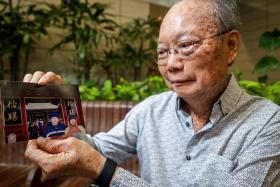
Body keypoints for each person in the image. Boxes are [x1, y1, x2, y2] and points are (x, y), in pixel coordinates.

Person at [24, 0, 280, 186]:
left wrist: (104, 171)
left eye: (186, 45)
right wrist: (59, 116)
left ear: (231, 46)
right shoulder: (150, 110)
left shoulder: (268, 123)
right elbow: (98, 149)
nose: (171, 64)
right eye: (162, 52)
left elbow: (97, 162)